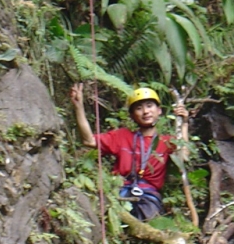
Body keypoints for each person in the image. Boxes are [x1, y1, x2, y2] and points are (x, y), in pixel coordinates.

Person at [70, 83, 189, 221]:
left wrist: (184, 124)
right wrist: (78, 107)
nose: (145, 111)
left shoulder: (167, 141)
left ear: (159, 110)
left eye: (150, 106)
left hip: (148, 195)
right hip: (120, 190)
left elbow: (184, 156)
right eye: (139, 108)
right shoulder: (122, 136)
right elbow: (89, 141)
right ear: (132, 115)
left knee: (147, 218)